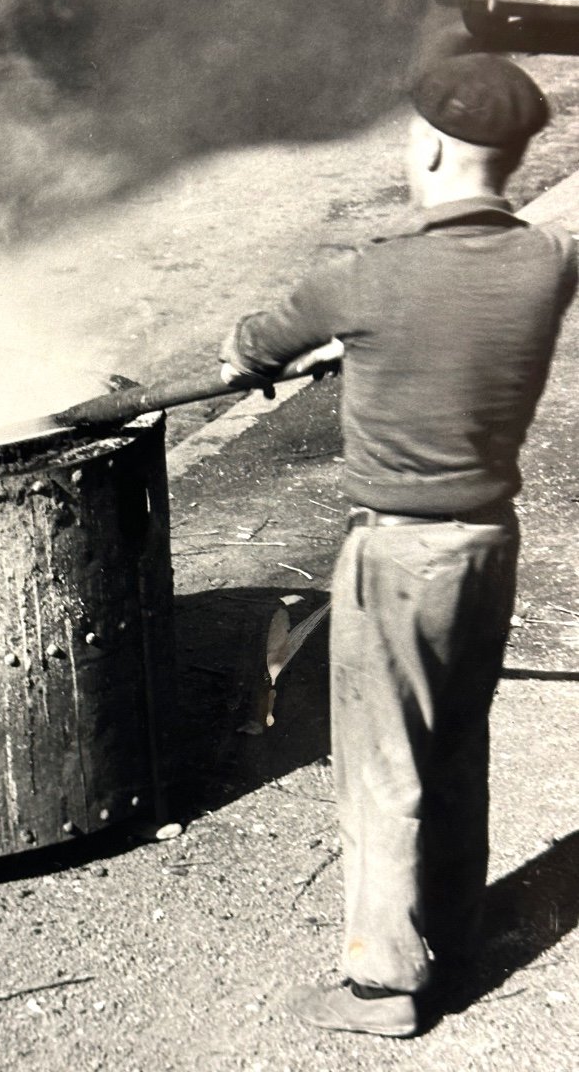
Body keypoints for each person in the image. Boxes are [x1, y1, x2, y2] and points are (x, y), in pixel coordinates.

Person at [219, 53, 577, 1038]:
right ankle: (449, 942)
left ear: (423, 146)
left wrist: (298, 345)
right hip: (485, 545)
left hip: (396, 555)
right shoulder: (540, 265)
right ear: (508, 159)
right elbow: (495, 271)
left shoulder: (364, 276)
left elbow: (250, 345)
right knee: (454, 747)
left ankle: (380, 988)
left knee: (382, 769)